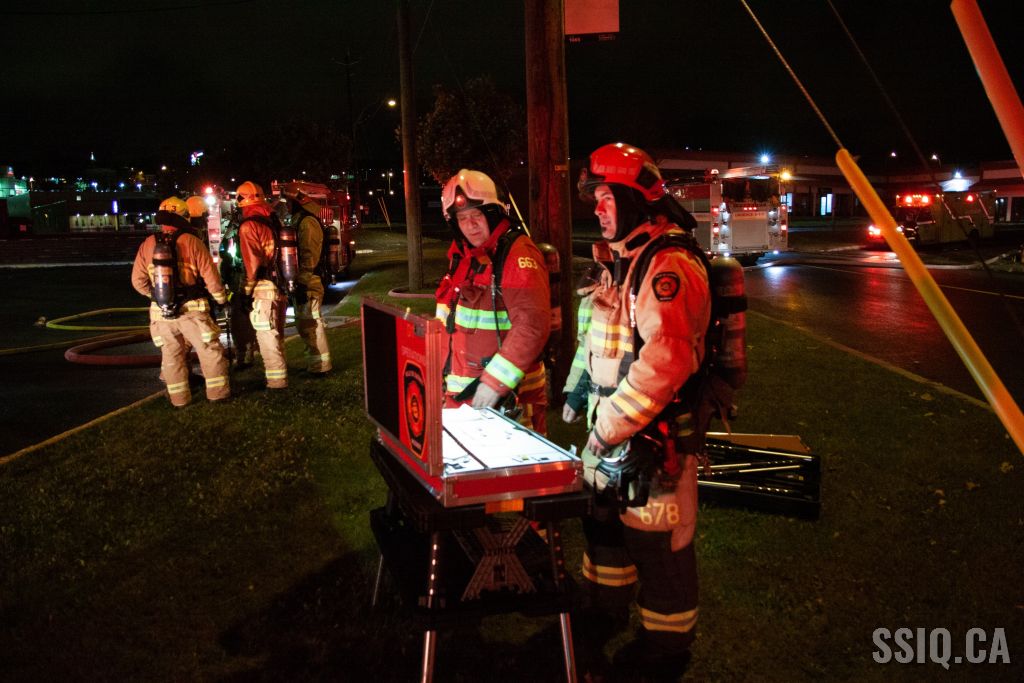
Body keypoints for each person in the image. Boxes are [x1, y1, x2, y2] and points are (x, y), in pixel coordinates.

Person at [563, 143, 710, 678]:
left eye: (606, 198)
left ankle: (665, 647)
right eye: (595, 199)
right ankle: (604, 611)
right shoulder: (622, 260)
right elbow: (597, 339)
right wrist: (577, 394)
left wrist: (607, 427)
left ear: (631, 199)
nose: (597, 209)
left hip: (653, 439)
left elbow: (664, 364)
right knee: (604, 529)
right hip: (610, 433)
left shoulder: (668, 266)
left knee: (658, 546)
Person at [434, 169, 550, 433]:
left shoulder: (517, 253)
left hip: (506, 399)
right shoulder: (463, 258)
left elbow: (532, 324)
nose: (470, 225)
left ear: (493, 213)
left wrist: (495, 381)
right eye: (462, 218)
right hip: (463, 399)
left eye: (476, 215)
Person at [131, 196, 230, 407]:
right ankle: (218, 395)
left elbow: (137, 281)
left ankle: (179, 400)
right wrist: (221, 299)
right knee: (209, 351)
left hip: (161, 314)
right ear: (184, 217)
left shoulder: (148, 244)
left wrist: (157, 297)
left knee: (171, 356)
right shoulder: (192, 242)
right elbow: (212, 278)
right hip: (192, 311)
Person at [235, 181, 288, 389]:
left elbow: (253, 264)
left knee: (267, 336)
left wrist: (245, 291)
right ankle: (280, 377)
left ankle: (277, 383)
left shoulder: (249, 226)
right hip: (280, 285)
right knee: (277, 334)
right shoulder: (272, 219)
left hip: (264, 288)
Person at [282, 184, 332, 375]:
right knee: (306, 325)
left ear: (298, 202)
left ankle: (320, 367)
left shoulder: (307, 222)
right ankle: (316, 365)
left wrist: (302, 282)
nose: (286, 206)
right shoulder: (300, 220)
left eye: (289, 202)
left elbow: (310, 255)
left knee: (311, 325)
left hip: (310, 281)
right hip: (305, 280)